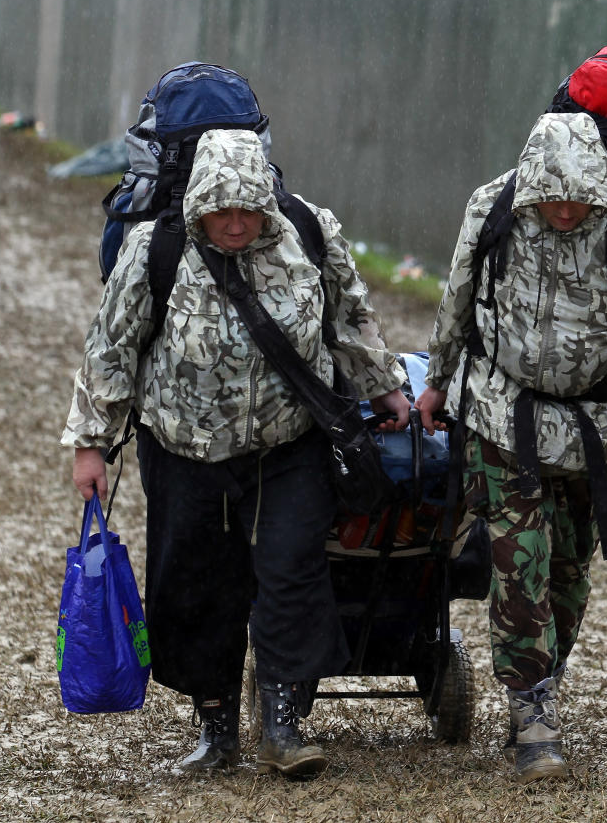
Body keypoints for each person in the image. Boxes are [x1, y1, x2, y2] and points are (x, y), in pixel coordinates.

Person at [62, 128, 410, 777]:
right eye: (221, 212)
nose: (235, 223)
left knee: (292, 574)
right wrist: (92, 443)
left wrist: (384, 388)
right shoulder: (155, 249)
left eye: (248, 210)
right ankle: (216, 729)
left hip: (288, 447)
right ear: (198, 206)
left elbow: (349, 318)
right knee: (196, 585)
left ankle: (282, 725)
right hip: (184, 454)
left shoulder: (308, 233)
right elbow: (110, 348)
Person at [415, 112, 607, 784]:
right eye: (551, 197)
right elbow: (458, 298)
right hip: (503, 413)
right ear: (530, 184)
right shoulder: (494, 207)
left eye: (577, 199)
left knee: (568, 568)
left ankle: (540, 684)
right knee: (519, 553)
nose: (564, 209)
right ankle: (533, 714)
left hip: (594, 427)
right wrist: (439, 382)